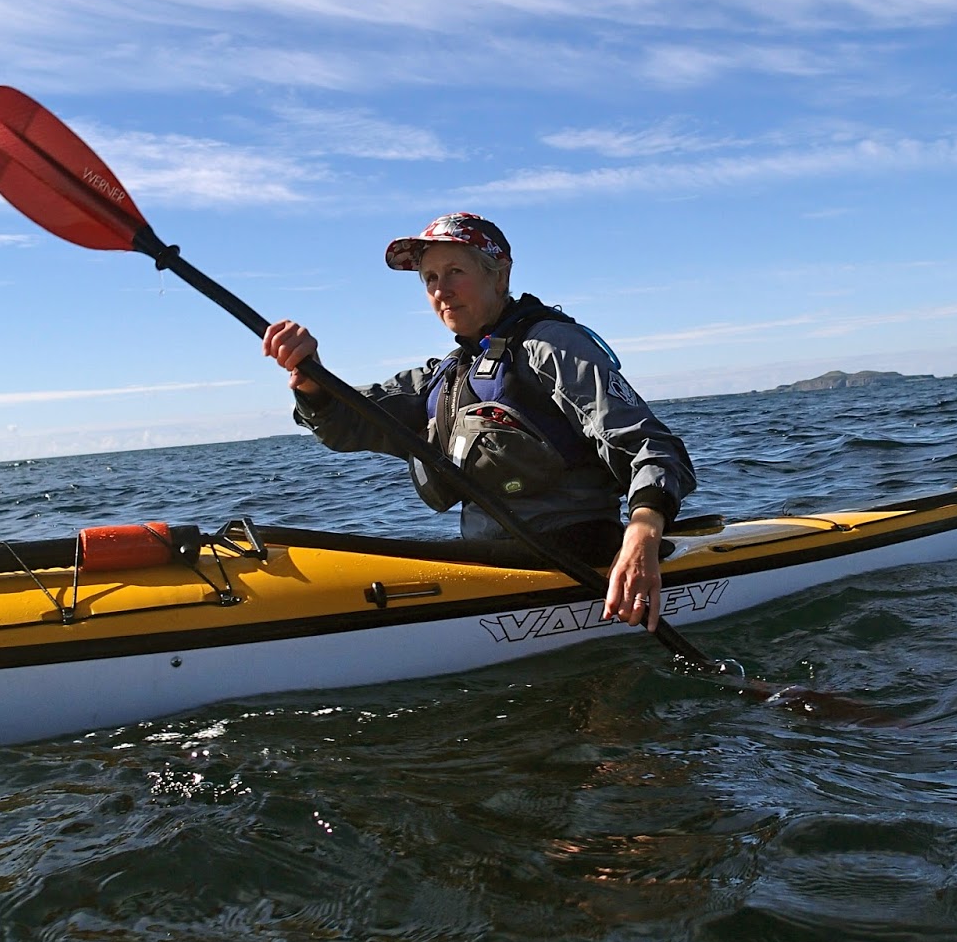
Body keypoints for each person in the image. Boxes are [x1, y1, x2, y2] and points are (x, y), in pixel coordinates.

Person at [261, 213, 696, 631]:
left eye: (455, 272)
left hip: (577, 553)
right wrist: (313, 381)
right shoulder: (445, 376)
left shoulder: (552, 345)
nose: (441, 290)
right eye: (430, 279)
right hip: (493, 558)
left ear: (499, 275)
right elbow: (348, 423)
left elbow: (650, 446)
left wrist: (641, 535)